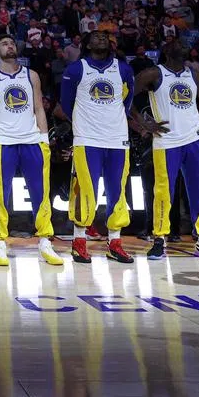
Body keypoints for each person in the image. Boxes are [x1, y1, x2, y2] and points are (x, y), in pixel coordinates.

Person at [136, 38, 199, 260]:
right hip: (167, 141)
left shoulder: (194, 74)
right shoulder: (153, 73)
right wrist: (142, 122)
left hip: (194, 139)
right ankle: (159, 238)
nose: (183, 45)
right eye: (176, 43)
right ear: (166, 50)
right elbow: (127, 94)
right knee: (163, 192)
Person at [0, 36, 63, 267]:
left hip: (32, 141)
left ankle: (45, 241)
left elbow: (39, 107)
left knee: (41, 193)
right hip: (4, 143)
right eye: (4, 43)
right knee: (0, 195)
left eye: (11, 42)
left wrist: (44, 139)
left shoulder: (31, 75)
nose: (9, 45)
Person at [58, 31, 136, 264]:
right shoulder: (76, 69)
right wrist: (85, 124)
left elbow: (128, 100)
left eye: (105, 36)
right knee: (84, 189)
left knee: (117, 189)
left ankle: (115, 242)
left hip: (117, 138)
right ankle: (79, 241)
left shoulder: (123, 69)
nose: (102, 39)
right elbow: (66, 103)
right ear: (86, 43)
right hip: (87, 139)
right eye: (96, 37)